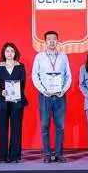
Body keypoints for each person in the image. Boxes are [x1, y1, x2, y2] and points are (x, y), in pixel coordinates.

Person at [30, 30, 71, 163]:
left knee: (60, 126)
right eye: (49, 39)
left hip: (60, 96)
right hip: (45, 96)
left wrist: (63, 90)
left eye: (54, 39)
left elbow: (68, 75)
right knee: (45, 125)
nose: (52, 41)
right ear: (45, 42)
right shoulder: (39, 57)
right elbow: (34, 75)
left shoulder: (63, 56)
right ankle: (47, 154)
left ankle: (58, 154)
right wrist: (43, 90)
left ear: (57, 41)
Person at [0, 42, 27, 163]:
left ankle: (15, 156)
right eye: (7, 51)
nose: (10, 53)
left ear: (15, 53)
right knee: (2, 129)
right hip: (2, 101)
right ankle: (2, 156)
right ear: (4, 53)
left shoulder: (20, 66)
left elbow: (23, 82)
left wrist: (17, 93)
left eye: (12, 51)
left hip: (17, 101)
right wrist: (0, 91)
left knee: (16, 129)